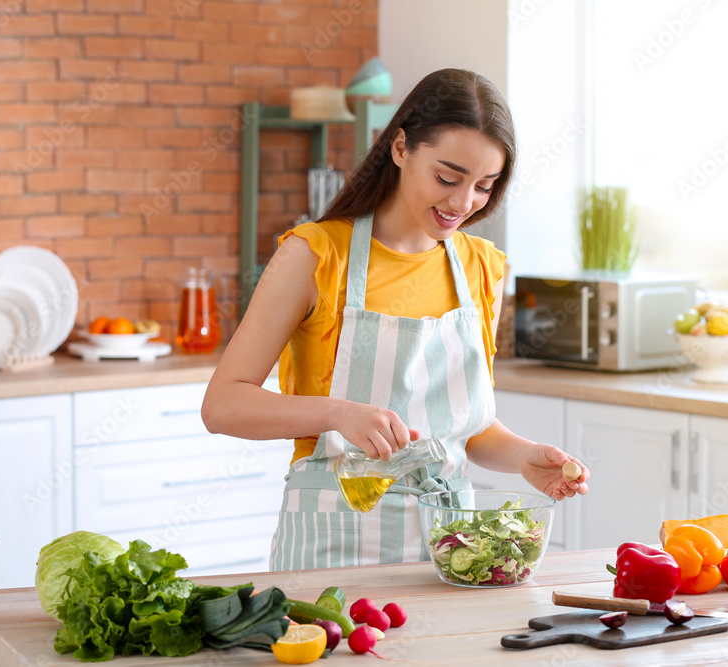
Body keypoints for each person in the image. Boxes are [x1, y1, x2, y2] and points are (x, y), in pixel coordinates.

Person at [202, 68, 589, 571]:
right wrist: (337, 414)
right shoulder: (316, 256)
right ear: (402, 148)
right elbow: (223, 405)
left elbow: (464, 427)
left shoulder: (482, 268)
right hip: (332, 548)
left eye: (484, 187)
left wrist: (522, 457)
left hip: (452, 551)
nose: (462, 203)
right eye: (447, 178)